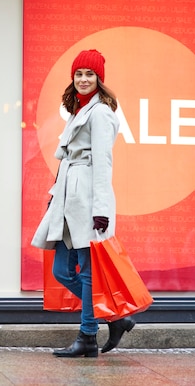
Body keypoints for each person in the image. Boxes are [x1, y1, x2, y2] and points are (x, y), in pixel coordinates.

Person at [31, 49, 134, 357]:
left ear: (99, 80)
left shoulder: (101, 112)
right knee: (62, 270)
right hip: (68, 195)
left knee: (87, 272)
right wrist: (55, 198)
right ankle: (114, 317)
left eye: (90, 74)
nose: (84, 79)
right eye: (79, 74)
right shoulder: (80, 110)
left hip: (87, 196)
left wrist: (101, 210)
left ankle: (87, 337)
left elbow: (103, 162)